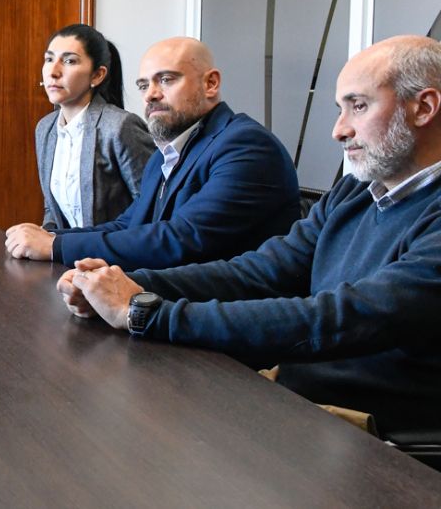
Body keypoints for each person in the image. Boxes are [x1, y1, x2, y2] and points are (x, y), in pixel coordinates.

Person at [58, 35, 441, 435]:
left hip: (377, 436)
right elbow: (261, 271)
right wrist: (130, 283)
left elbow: (339, 319)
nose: (339, 130)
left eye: (358, 106)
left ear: (424, 107)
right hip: (301, 398)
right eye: (339, 109)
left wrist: (145, 312)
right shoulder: (356, 190)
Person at [6, 37, 299, 270]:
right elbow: (128, 224)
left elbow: (181, 239)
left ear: (211, 84)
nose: (150, 94)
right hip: (174, 298)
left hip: (229, 319)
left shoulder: (247, 146)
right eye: (144, 85)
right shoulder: (167, 153)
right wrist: (51, 237)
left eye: (166, 80)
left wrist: (55, 248)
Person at [8, 24, 154, 239]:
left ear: (97, 75)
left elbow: (151, 211)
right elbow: (52, 210)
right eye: (49, 59)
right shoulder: (45, 129)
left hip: (118, 263)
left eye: (69, 61)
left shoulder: (120, 127)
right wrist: (43, 235)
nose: (53, 71)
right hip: (69, 260)